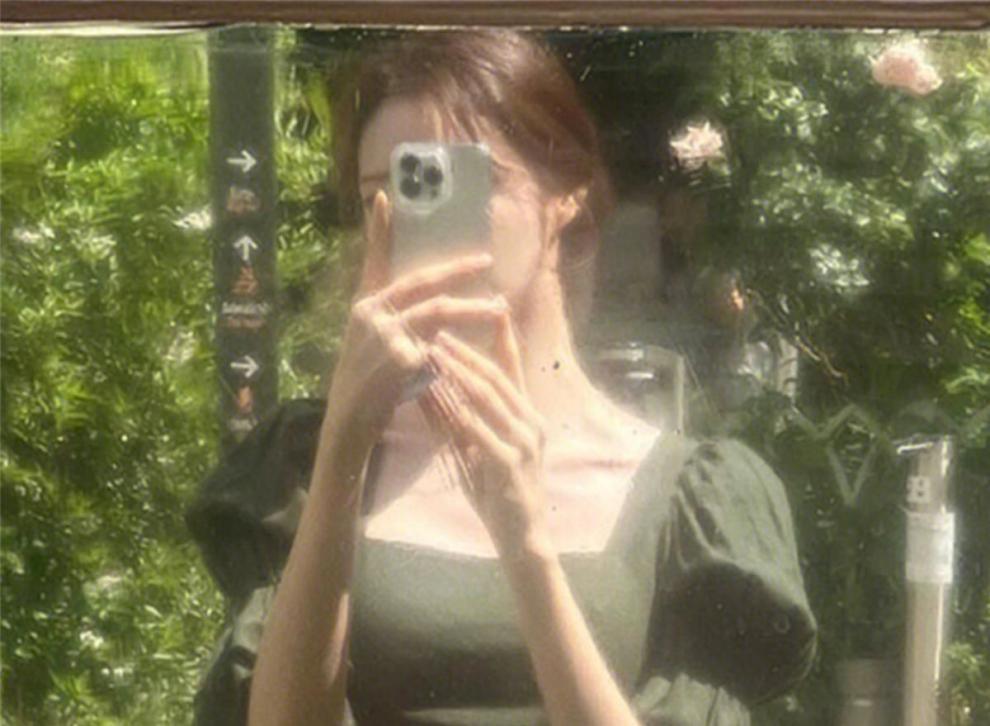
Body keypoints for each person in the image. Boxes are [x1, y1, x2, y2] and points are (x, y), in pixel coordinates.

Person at [188, 29, 816, 726]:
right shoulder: (309, 464)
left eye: (462, 182)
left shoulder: (687, 500)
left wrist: (527, 548)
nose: (418, 217)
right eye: (383, 196)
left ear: (566, 194)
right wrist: (341, 452)